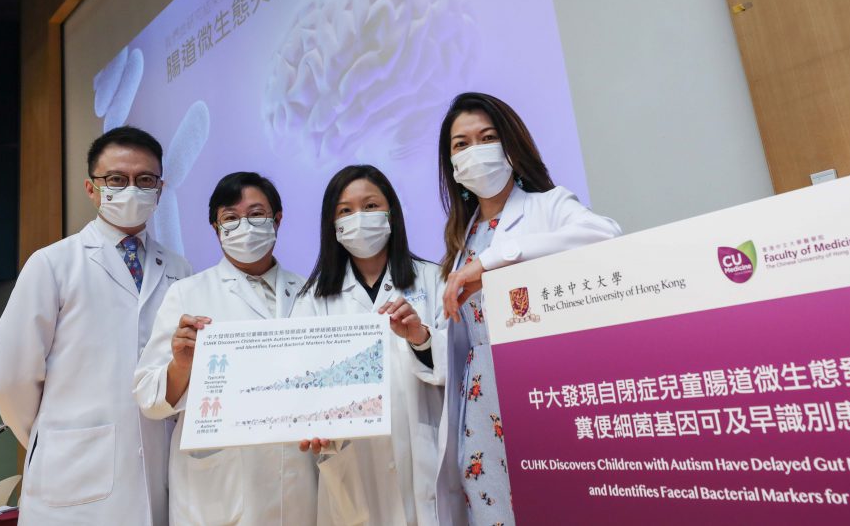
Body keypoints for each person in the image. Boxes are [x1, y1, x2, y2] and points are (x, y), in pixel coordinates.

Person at [0, 126, 192, 525]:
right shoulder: (53, 264)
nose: (131, 189)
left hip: (161, 470)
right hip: (73, 478)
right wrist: (54, 438)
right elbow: (8, 379)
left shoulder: (179, 269)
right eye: (116, 179)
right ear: (91, 188)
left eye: (145, 180)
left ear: (160, 189)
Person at [435, 93, 622, 525]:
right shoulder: (460, 240)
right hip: (481, 407)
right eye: (461, 145)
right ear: (452, 165)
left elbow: (606, 236)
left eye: (487, 137)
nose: (474, 151)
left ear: (511, 146)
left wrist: (497, 260)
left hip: (541, 390)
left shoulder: (548, 205)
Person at [133, 172, 317, 525]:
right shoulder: (187, 294)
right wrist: (181, 365)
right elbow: (149, 399)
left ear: (277, 220)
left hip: (295, 478)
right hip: (219, 488)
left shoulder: (308, 292)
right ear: (216, 229)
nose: (244, 226)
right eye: (230, 218)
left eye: (256, 214)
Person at [293, 165, 447, 526]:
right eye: (345, 211)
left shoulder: (433, 278)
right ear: (332, 225)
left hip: (423, 456)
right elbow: (305, 384)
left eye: (371, 205)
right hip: (352, 461)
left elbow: (457, 364)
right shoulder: (311, 301)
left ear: (391, 212)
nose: (358, 218)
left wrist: (420, 338)